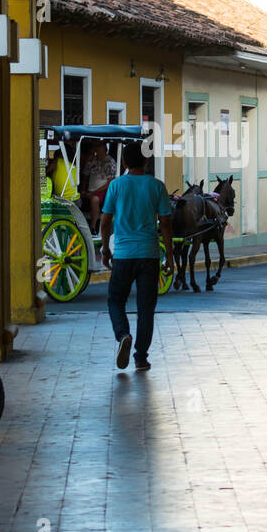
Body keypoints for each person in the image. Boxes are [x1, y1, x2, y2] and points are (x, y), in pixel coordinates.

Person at [100, 141, 175, 372]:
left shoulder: (116, 185)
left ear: (124, 162)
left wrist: (105, 249)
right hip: (149, 255)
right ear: (146, 161)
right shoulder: (157, 186)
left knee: (115, 300)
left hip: (123, 254)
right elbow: (165, 225)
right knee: (146, 308)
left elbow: (105, 222)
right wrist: (170, 257)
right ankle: (141, 357)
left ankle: (123, 334)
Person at [82, 139, 117, 234]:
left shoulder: (110, 162)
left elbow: (110, 183)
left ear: (104, 147)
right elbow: (85, 176)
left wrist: (93, 192)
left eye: (98, 146)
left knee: (95, 199)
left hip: (104, 191)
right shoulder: (91, 160)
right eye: (94, 146)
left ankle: (93, 227)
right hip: (91, 190)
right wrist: (82, 190)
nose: (96, 148)